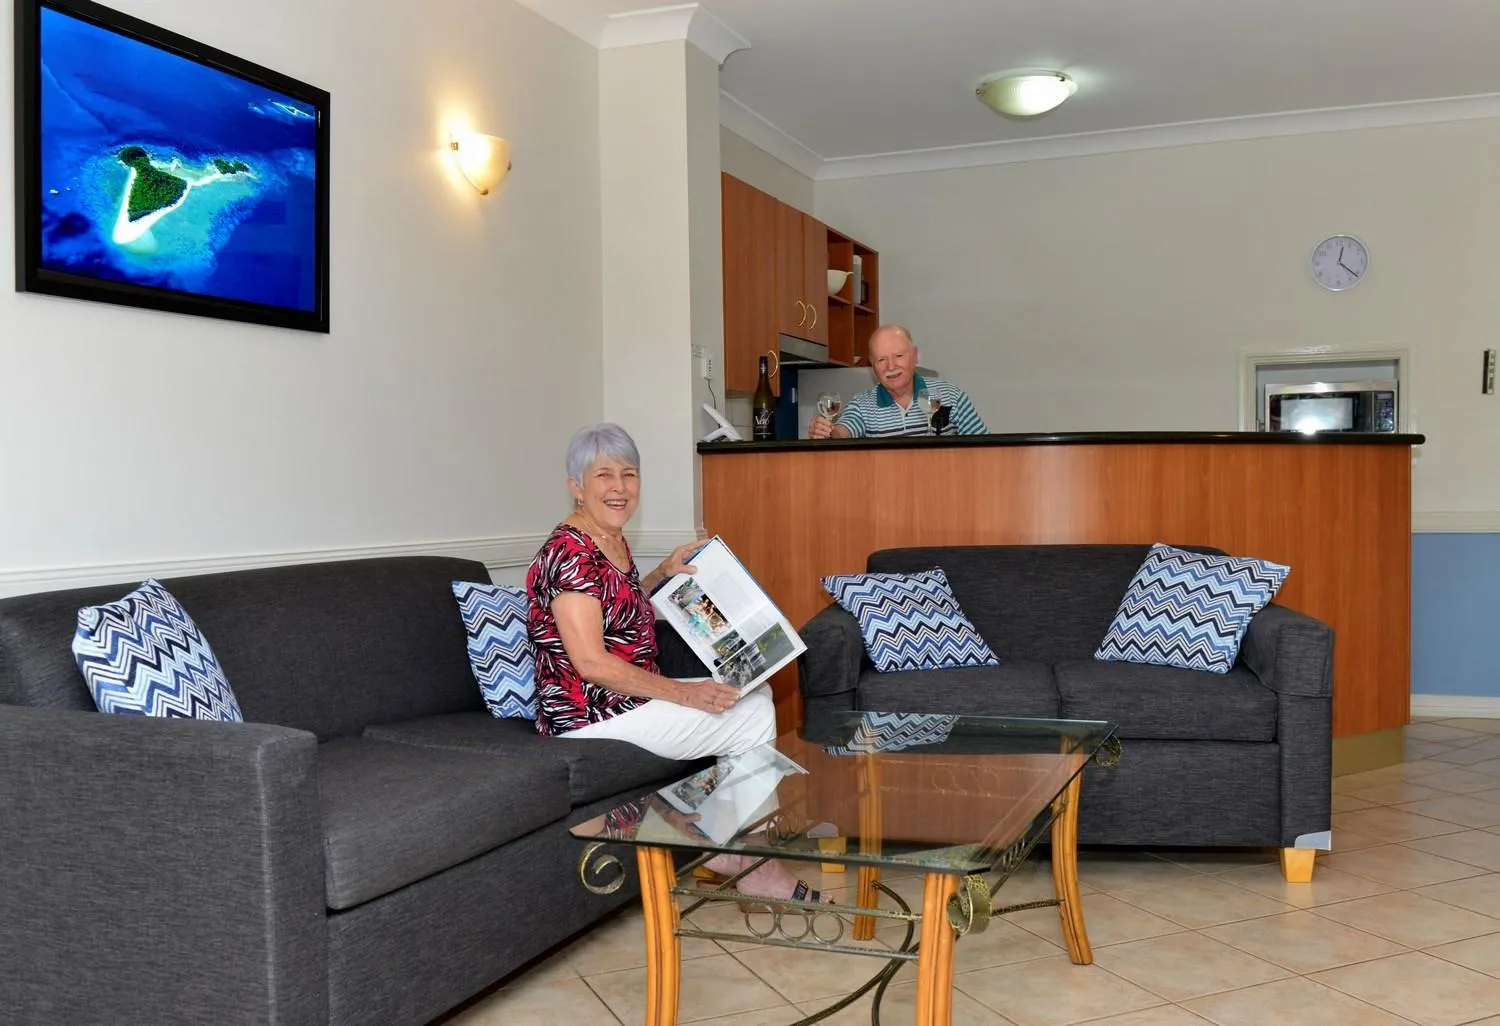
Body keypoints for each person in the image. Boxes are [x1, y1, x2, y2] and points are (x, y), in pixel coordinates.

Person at [526, 423, 831, 905]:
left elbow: (617, 605)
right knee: (749, 716)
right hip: (590, 712)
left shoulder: (608, 540)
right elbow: (590, 663)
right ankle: (753, 861)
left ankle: (728, 849)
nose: (619, 487)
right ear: (576, 486)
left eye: (629, 474)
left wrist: (662, 573)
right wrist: (686, 692)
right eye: (603, 475)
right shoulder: (568, 555)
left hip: (623, 699)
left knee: (754, 694)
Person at [808, 323, 987, 439]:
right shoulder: (862, 404)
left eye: (899, 356)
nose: (891, 366)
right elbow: (843, 432)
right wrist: (827, 432)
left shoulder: (950, 396)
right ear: (873, 365)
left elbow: (985, 448)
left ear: (915, 356)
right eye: (881, 360)